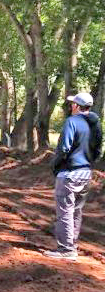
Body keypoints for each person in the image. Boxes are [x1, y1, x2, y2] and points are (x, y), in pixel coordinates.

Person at [44, 92, 102, 260]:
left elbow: (63, 148)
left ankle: (66, 249)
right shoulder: (95, 124)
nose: (71, 107)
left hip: (69, 173)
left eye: (72, 104)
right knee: (76, 210)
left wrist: (55, 165)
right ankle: (72, 245)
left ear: (76, 106)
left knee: (65, 211)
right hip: (86, 173)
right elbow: (98, 150)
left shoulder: (71, 122)